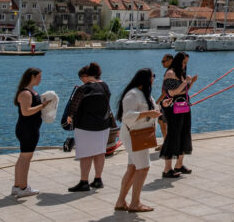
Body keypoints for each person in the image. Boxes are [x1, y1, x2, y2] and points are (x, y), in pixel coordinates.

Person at [114, 68, 162, 213]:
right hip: (134, 135)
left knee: (133, 168)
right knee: (143, 167)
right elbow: (127, 116)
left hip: (141, 134)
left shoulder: (145, 94)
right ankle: (135, 203)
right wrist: (148, 113)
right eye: (153, 76)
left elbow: (150, 110)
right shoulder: (133, 94)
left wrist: (159, 108)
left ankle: (121, 201)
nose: (154, 78)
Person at [64, 62, 112, 192]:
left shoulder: (83, 89)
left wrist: (70, 116)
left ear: (86, 75)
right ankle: (98, 179)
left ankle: (84, 181)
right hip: (103, 124)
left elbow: (74, 107)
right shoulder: (104, 86)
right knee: (99, 152)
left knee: (85, 154)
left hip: (85, 126)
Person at [160, 52, 197, 178]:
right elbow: (172, 92)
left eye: (186, 63)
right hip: (173, 109)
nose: (185, 65)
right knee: (173, 135)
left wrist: (191, 83)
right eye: (184, 62)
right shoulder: (170, 73)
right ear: (178, 61)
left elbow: (184, 91)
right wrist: (185, 82)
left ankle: (179, 164)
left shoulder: (181, 74)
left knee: (184, 134)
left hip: (184, 107)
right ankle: (167, 169)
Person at [12, 68, 43, 198]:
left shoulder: (30, 91)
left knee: (23, 158)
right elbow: (26, 111)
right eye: (39, 77)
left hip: (29, 128)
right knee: (25, 159)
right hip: (27, 129)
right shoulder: (26, 93)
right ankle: (23, 187)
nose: (40, 79)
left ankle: (17, 186)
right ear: (32, 76)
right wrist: (43, 105)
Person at [156, 54, 173, 148]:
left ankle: (168, 144)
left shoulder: (170, 72)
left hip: (166, 101)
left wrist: (157, 102)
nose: (162, 63)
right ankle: (166, 143)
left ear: (170, 60)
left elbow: (165, 91)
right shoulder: (172, 71)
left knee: (164, 122)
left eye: (164, 61)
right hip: (168, 100)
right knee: (162, 122)